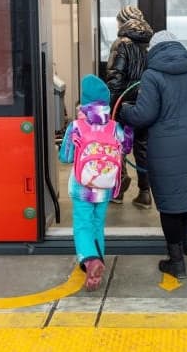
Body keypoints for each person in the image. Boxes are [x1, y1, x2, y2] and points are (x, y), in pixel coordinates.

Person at [118, 31, 187, 279]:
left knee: (170, 202)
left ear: (153, 50)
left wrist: (124, 111)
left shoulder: (152, 75)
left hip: (169, 144)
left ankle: (176, 262)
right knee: (185, 191)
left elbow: (144, 115)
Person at [59, 74, 133, 291]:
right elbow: (125, 149)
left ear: (84, 101)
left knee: (83, 224)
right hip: (105, 187)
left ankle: (90, 261)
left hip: (82, 187)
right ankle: (97, 260)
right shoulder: (114, 127)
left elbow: (65, 157)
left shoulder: (76, 126)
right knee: (97, 224)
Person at [105, 5, 154, 208]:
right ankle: (145, 193)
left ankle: (118, 189)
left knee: (118, 144)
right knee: (142, 147)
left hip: (123, 103)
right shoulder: (150, 43)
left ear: (123, 22)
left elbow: (115, 78)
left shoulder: (121, 44)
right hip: (144, 103)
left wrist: (111, 109)